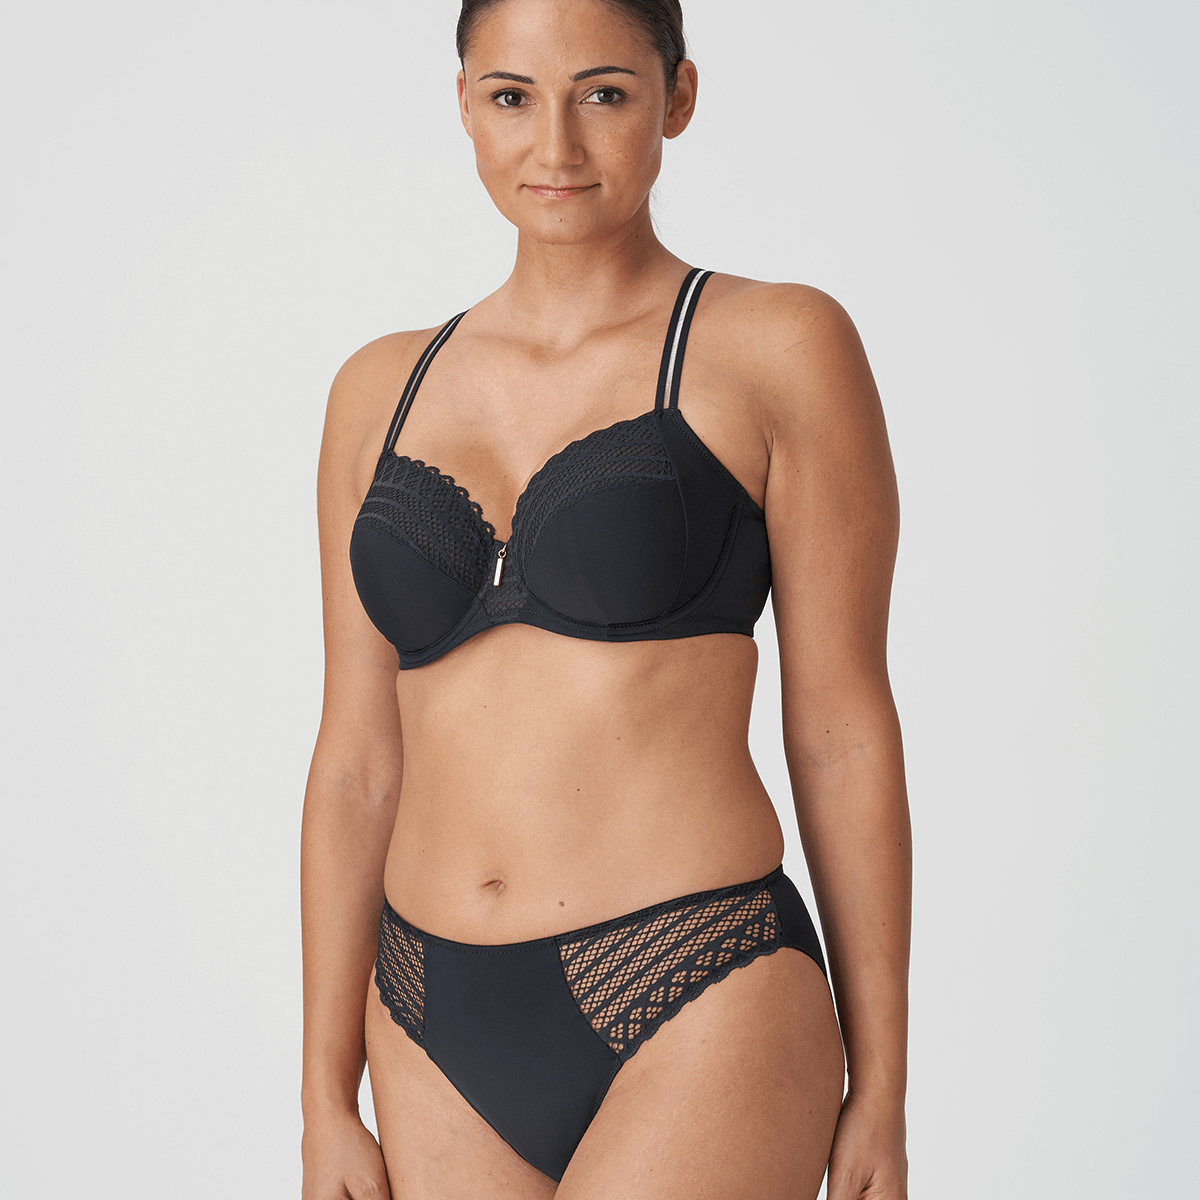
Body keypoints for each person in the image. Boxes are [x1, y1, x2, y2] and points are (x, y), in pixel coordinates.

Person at [300, 0, 910, 1196]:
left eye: (605, 94)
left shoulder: (777, 345)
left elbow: (841, 730)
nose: (556, 147)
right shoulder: (377, 390)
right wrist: (323, 1093)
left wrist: (882, 1085)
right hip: (426, 1010)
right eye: (511, 97)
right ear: (464, 105)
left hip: (695, 978)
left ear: (677, 97)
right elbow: (356, 763)